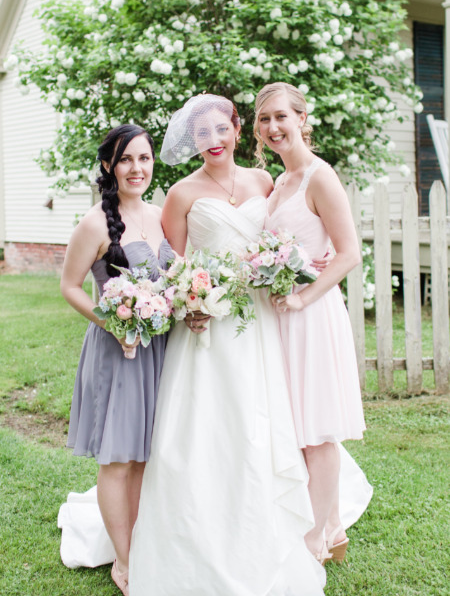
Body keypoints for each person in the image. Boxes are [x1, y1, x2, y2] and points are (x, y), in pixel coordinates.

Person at [128, 94, 327, 595]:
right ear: (192, 142)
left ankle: (268, 527)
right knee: (207, 426)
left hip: (259, 321)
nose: (213, 140)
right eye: (201, 134)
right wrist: (188, 304)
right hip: (207, 327)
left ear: (238, 130)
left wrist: (304, 265)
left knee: (259, 421)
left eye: (222, 129)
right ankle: (195, 530)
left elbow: (285, 239)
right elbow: (171, 268)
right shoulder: (181, 193)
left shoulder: (265, 182)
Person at [254, 82, 367, 564]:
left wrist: (304, 298)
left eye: (282, 116)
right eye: (264, 120)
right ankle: (332, 525)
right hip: (278, 320)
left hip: (312, 317)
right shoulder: (278, 183)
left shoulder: (320, 177)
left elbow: (349, 254)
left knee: (316, 431)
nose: (274, 127)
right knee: (291, 425)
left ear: (303, 118)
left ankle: (318, 538)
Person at [60, 124, 172, 596]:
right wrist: (115, 324)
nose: (137, 168)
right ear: (109, 165)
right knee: (118, 461)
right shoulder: (95, 223)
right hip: (119, 351)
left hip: (161, 351)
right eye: (126, 159)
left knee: (147, 457)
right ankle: (125, 562)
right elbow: (68, 286)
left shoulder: (164, 215)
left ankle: (142, 544)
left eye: (144, 159)